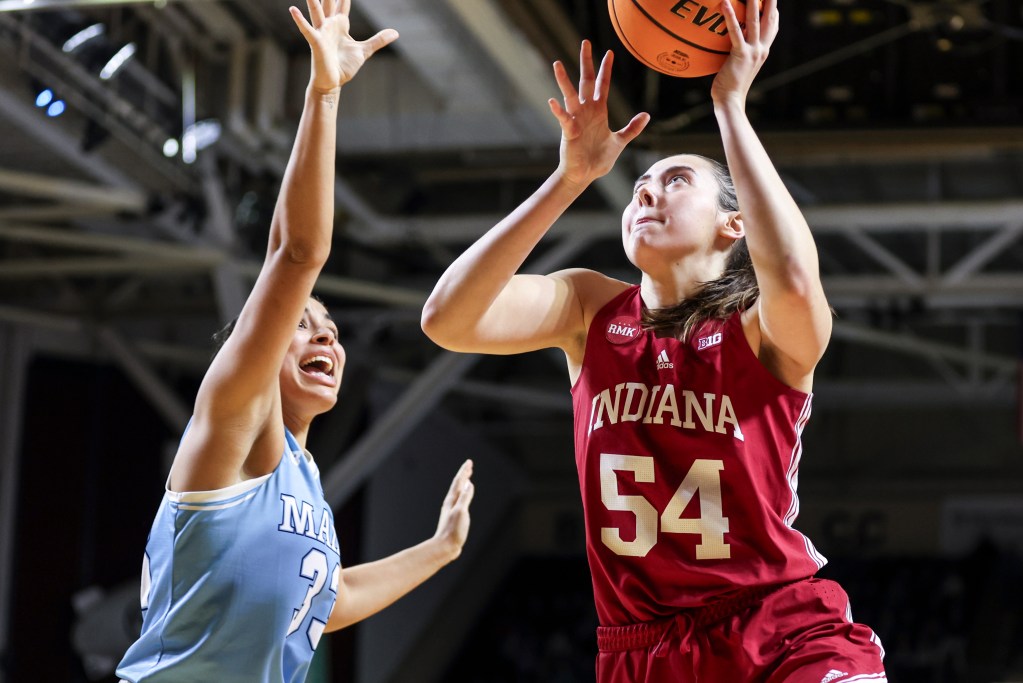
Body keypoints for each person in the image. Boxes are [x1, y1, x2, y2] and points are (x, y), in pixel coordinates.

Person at [421, 0, 884, 680]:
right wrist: (568, 180)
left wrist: (731, 107)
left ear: (733, 225)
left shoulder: (761, 332)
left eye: (675, 180)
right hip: (642, 650)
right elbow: (447, 317)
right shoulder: (587, 309)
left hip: (782, 628)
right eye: (639, 183)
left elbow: (787, 269)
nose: (646, 194)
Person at [116, 1, 474, 681]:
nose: (325, 339)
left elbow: (324, 597)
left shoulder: (302, 481)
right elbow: (297, 251)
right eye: (303, 325)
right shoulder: (236, 416)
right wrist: (324, 95)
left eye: (333, 331)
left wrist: (440, 549)